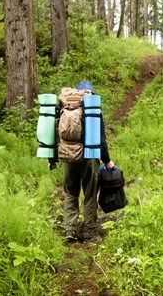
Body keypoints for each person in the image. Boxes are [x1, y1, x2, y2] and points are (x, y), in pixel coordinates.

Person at [50, 81, 115, 242]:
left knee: (71, 193)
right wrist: (107, 161)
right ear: (89, 94)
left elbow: (55, 133)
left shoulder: (63, 108)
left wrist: (52, 159)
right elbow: (101, 139)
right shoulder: (92, 110)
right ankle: (88, 231)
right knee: (90, 195)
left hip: (67, 157)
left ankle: (69, 230)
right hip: (88, 158)